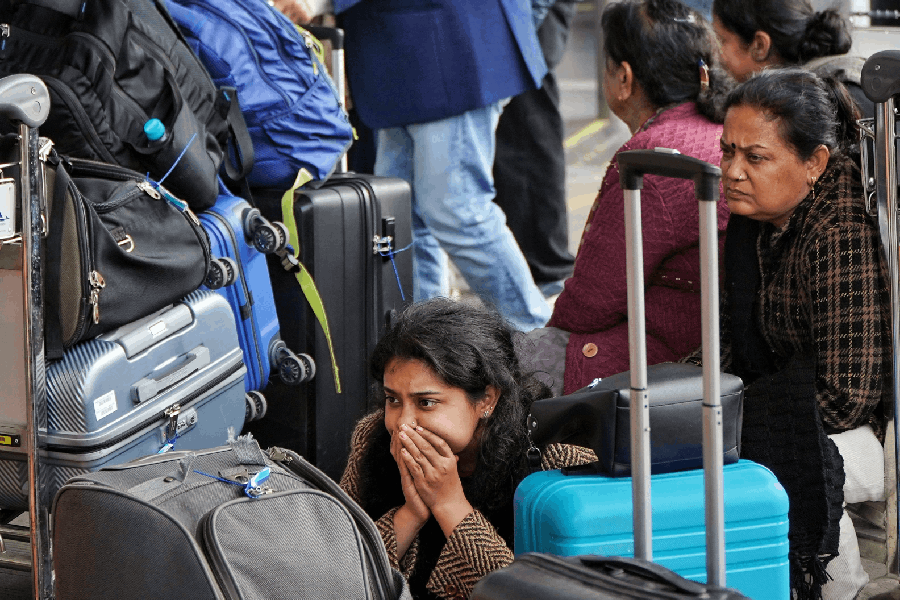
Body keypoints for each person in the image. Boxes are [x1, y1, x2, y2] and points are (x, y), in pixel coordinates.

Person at [711, 68, 890, 600]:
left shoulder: (839, 233)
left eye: (755, 157)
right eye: (727, 152)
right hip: (789, 407)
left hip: (870, 433)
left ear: (814, 162)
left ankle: (842, 593)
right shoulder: (756, 218)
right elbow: (726, 343)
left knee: (786, 462)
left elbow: (847, 397)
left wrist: (737, 421)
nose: (733, 172)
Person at [271, 0, 553, 332]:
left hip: (446, 46)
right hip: (405, 50)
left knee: (457, 210)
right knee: (403, 219)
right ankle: (429, 339)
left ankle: (534, 333)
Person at [521, 0, 732, 396]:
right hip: (703, 343)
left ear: (624, 77)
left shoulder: (652, 161)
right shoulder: (718, 125)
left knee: (476, 370)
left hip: (660, 358)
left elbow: (590, 303)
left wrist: (545, 342)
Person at [339, 298, 595, 600]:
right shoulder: (373, 438)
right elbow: (336, 572)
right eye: (393, 400)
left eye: (426, 403)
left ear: (486, 399)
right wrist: (410, 513)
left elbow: (534, 593)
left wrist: (450, 505)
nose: (402, 424)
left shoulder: (555, 462)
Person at [492, 0, 578, 300]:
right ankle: (532, 269)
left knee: (528, 132)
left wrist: (524, 23)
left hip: (521, 15)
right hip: (510, 17)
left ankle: (544, 277)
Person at [711, 0, 874, 118]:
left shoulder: (814, 101)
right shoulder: (832, 77)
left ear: (760, 46)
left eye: (722, 40)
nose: (718, 54)